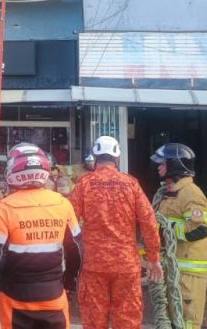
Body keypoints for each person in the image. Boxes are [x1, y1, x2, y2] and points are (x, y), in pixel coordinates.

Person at [69, 136, 163, 329]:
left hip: (94, 265)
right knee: (127, 319)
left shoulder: (84, 184)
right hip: (126, 265)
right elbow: (149, 223)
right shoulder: (131, 184)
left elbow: (68, 221)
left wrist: (69, 259)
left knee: (94, 319)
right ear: (117, 158)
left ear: (95, 157)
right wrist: (154, 259)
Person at [0, 143, 82, 328]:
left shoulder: (3, 208)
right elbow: (76, 250)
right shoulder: (62, 203)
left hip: (14, 299)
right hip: (54, 295)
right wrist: (68, 282)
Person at [151, 143, 207, 329]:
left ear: (175, 165)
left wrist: (166, 230)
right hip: (174, 270)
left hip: (188, 275)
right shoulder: (169, 193)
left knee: (186, 322)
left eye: (162, 163)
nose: (158, 167)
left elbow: (200, 228)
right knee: (172, 317)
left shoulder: (191, 194)